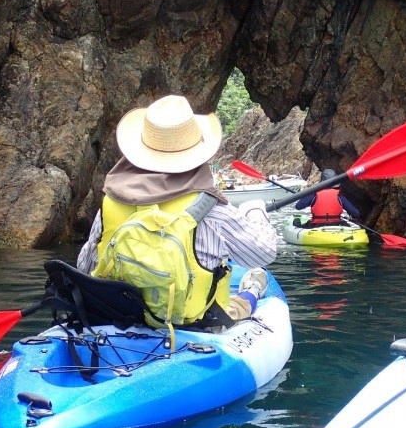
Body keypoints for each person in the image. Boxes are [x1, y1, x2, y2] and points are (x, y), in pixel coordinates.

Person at [76, 94, 275, 325]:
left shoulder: (110, 200)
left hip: (117, 315)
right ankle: (250, 291)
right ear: (199, 153)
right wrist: (256, 212)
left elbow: (86, 266)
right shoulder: (212, 208)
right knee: (241, 302)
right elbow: (263, 254)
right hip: (189, 323)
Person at [294, 168, 360, 226]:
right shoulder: (339, 195)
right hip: (336, 225)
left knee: (299, 223)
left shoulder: (314, 194)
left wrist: (305, 198)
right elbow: (356, 213)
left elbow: (298, 207)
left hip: (317, 225)